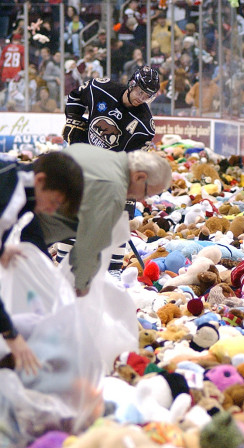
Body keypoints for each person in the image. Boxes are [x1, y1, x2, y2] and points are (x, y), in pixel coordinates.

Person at [37, 144, 171, 297]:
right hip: (27, 223)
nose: (141, 199)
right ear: (140, 177)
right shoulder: (114, 189)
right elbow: (88, 246)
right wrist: (80, 286)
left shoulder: (101, 155)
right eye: (146, 193)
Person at [0, 152, 84, 376]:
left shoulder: (22, 188)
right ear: (40, 181)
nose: (52, 211)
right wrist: (12, 336)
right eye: (54, 202)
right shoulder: (10, 194)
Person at [62, 65, 159, 152]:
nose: (141, 99)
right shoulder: (101, 88)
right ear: (132, 84)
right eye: (140, 92)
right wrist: (73, 119)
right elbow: (76, 96)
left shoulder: (145, 126)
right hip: (84, 149)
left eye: (147, 96)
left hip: (107, 167)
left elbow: (134, 160)